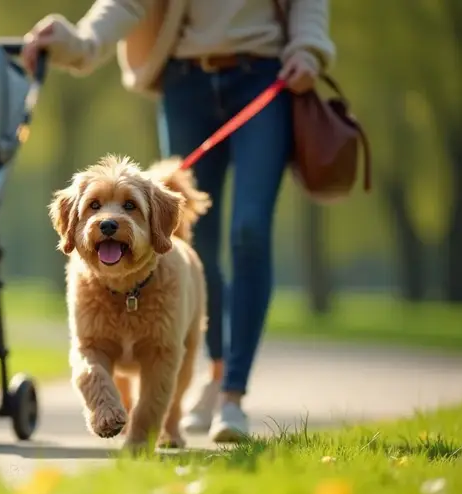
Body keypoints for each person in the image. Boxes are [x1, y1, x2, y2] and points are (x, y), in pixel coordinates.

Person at [22, 0, 335, 442]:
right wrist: (77, 42)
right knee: (193, 236)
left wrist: (309, 46)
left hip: (267, 75)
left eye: (125, 208)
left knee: (247, 230)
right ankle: (210, 378)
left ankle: (231, 395)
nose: (109, 220)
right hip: (185, 78)